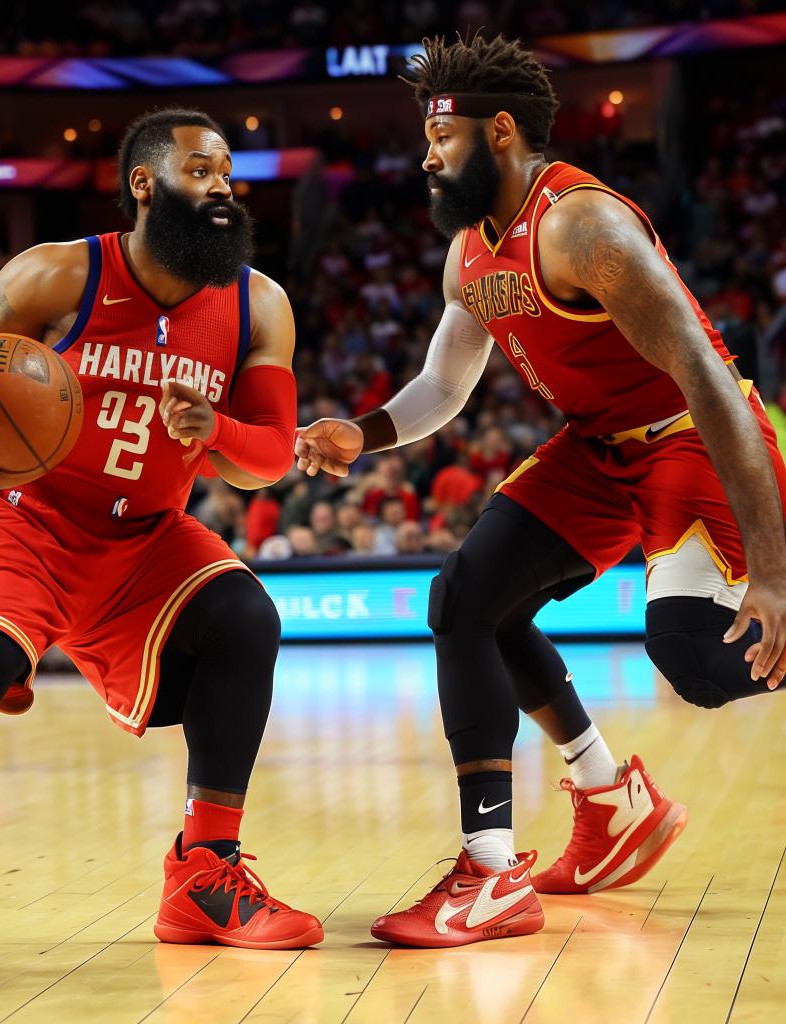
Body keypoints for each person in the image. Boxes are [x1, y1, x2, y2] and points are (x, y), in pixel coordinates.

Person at [296, 34, 786, 949]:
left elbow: (709, 378)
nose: (428, 158)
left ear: (504, 131)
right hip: (599, 448)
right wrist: (360, 434)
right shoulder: (468, 254)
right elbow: (445, 387)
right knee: (467, 601)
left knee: (698, 662)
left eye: (442, 141)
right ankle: (564, 827)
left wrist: (774, 567)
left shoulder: (581, 227)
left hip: (694, 436)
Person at [0, 107, 323, 1001]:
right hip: (31, 521)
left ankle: (204, 875)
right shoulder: (61, 272)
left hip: (146, 537)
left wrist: (219, 430)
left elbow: (274, 455)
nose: (223, 188)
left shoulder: (259, 303)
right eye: (202, 171)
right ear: (145, 184)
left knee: (248, 614)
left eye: (228, 173)